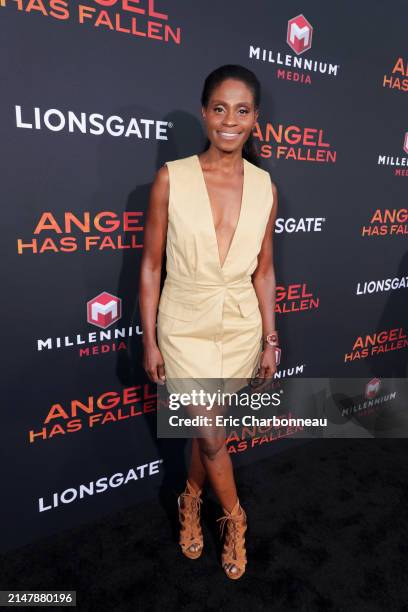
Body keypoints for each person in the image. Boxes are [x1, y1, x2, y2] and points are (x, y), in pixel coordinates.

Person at [139, 64, 279, 580]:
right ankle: (236, 520)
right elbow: (152, 265)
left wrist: (269, 339)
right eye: (219, 108)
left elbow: (264, 271)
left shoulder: (265, 186)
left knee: (207, 433)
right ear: (204, 113)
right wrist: (149, 338)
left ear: (255, 119)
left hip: (239, 324)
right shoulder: (170, 178)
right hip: (184, 322)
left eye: (241, 111)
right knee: (213, 433)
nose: (229, 120)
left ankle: (191, 500)